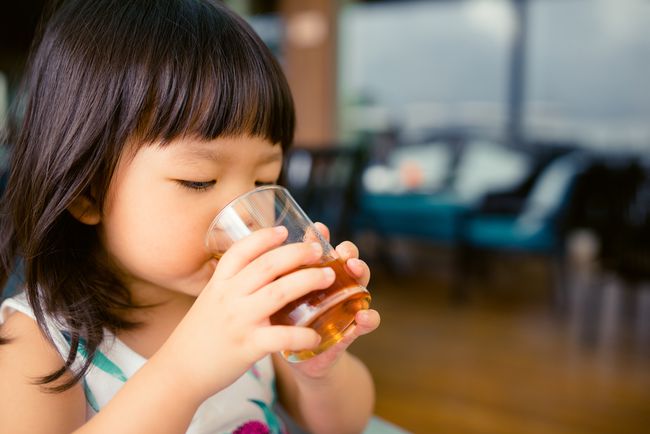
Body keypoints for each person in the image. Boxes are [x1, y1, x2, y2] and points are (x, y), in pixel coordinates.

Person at [0, 1, 380, 433]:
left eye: (263, 181)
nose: (252, 216)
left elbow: (345, 425)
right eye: (198, 181)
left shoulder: (253, 301)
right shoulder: (41, 343)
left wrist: (319, 372)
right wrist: (186, 372)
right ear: (87, 193)